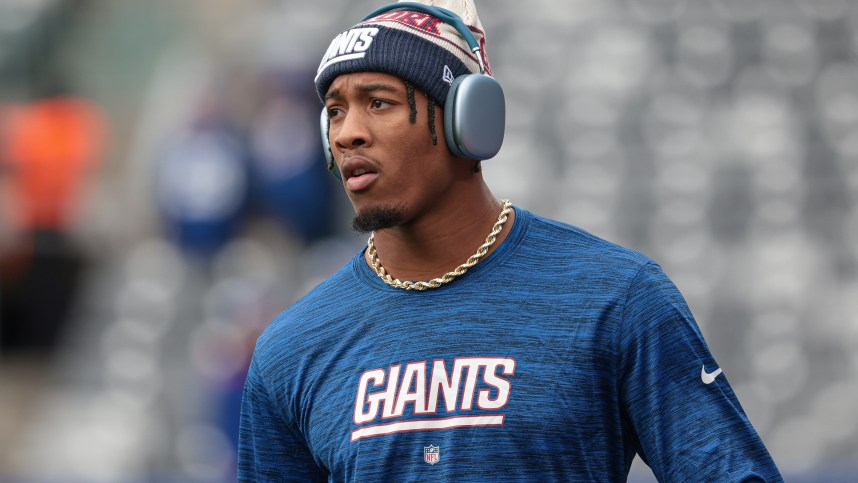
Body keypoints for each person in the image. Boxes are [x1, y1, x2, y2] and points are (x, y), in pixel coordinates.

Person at [238, 1, 783, 481]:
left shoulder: (616, 297)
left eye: (378, 102)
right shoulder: (292, 348)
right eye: (335, 110)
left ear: (465, 120)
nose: (347, 132)